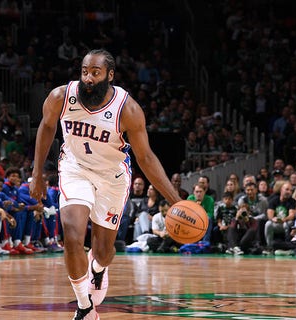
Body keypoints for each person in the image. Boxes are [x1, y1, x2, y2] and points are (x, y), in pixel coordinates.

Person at [29, 49, 182, 320]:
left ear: (109, 75)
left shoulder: (128, 109)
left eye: (95, 72)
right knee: (73, 236)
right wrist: (38, 173)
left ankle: (98, 269)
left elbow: (145, 157)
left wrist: (176, 201)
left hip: (112, 178)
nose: (88, 78)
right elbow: (47, 128)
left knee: (103, 251)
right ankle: (84, 307)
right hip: (75, 169)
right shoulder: (61, 97)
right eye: (85, 71)